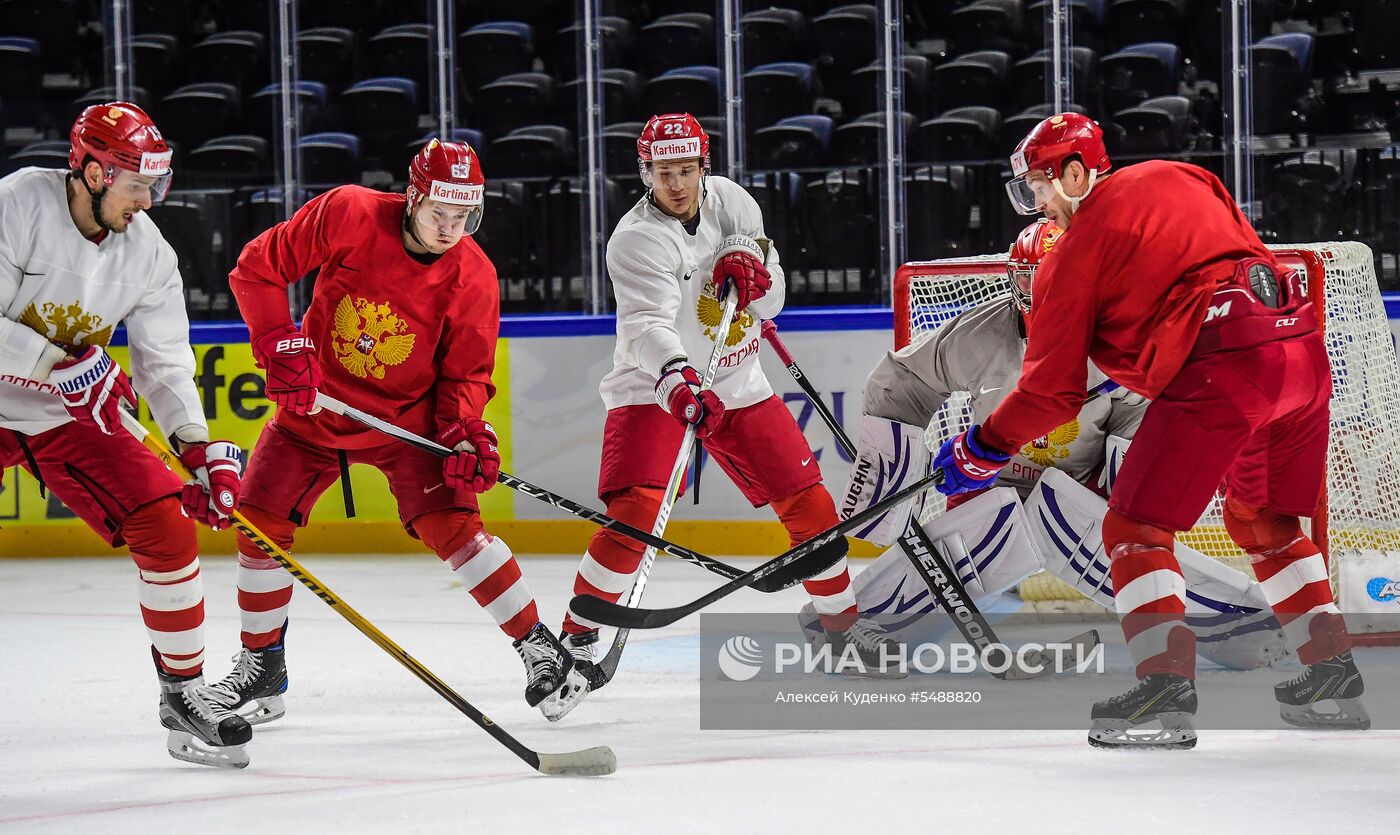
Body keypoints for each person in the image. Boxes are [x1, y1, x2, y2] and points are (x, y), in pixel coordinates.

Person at [933, 113, 1366, 748]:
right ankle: (1332, 673)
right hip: (1299, 352)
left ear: (1077, 173)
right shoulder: (1183, 174)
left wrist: (981, 447)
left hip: (1223, 366)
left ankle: (1165, 686)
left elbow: (1052, 392)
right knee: (1262, 521)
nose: (1039, 205)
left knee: (1134, 529)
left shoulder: (1073, 252)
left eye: (1040, 187)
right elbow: (1248, 257)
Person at [817, 219, 1288, 674]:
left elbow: (1146, 413)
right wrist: (892, 466)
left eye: (1055, 278)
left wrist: (1128, 494)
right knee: (975, 543)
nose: (1042, 294)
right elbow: (902, 379)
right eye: (1030, 279)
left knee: (1121, 549)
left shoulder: (1120, 342)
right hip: (985, 479)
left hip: (1079, 487)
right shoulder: (983, 335)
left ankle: (1244, 628)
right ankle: (855, 632)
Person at [547, 112, 892, 720]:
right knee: (636, 517)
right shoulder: (635, 239)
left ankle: (840, 628)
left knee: (811, 505)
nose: (675, 182)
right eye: (662, 171)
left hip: (737, 380)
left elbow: (775, 295)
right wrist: (676, 376)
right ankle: (578, 631)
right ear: (645, 172)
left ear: (703, 167)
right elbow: (646, 327)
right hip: (654, 386)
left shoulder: (734, 202)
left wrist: (758, 285)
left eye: (685, 169)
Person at [224, 138, 580, 722]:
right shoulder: (348, 213)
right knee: (257, 521)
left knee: (458, 529)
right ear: (412, 197)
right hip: (314, 412)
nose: (449, 227)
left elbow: (465, 374)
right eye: (439, 212)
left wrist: (465, 433)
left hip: (405, 424)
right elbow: (257, 270)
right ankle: (263, 665)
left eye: (463, 216)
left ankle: (537, 644)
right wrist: (277, 342)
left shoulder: (475, 276)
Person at [0, 102, 250, 767]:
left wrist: (195, 448)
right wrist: (64, 360)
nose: (148, 200)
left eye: (154, 185)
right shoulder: (19, 202)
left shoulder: (150, 252)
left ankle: (184, 692)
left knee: (167, 525)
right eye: (137, 184)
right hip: (35, 391)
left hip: (61, 416)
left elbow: (164, 365)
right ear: (89, 170)